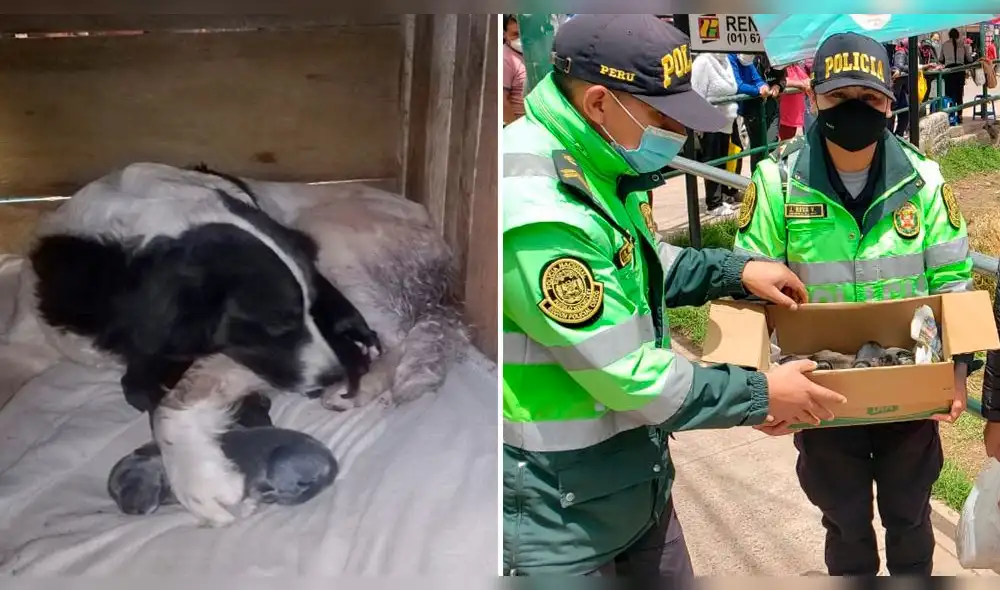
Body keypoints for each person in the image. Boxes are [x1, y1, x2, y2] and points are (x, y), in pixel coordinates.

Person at [502, 14, 848, 577]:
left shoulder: (593, 166)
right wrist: (759, 394)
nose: (678, 133)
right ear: (598, 104)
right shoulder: (537, 207)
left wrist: (738, 271)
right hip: (557, 513)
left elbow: (642, 265)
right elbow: (626, 372)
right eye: (663, 116)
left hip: (636, 487)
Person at [734, 32, 975, 577]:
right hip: (818, 390)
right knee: (842, 521)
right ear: (814, 97)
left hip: (907, 391)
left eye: (868, 100)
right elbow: (747, 293)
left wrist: (957, 371)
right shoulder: (778, 183)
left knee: (910, 517)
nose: (856, 112)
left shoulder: (925, 182)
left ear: (890, 102)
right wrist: (756, 391)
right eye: (840, 99)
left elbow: (955, 283)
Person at [691, 51, 740, 217]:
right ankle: (713, 203)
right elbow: (696, 92)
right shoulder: (703, 61)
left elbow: (733, 86)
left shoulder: (725, 60)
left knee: (721, 161)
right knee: (712, 161)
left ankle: (720, 197)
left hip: (726, 122)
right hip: (709, 122)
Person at [729, 53, 770, 183]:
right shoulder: (731, 58)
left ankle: (755, 180)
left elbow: (757, 79)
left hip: (745, 110)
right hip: (734, 110)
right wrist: (757, 91)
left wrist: (763, 86)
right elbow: (738, 85)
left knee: (746, 147)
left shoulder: (748, 59)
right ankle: (726, 190)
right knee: (734, 149)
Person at [744, 53, 785, 171]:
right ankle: (756, 183)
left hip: (772, 109)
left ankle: (770, 181)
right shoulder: (749, 58)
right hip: (754, 111)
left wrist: (778, 86)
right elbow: (742, 81)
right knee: (758, 150)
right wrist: (758, 89)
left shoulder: (776, 56)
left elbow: (783, 78)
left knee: (771, 144)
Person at [941, 27, 975, 124]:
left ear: (949, 35)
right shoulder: (963, 45)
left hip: (949, 71)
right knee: (959, 94)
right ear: (958, 35)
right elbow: (969, 60)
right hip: (960, 71)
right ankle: (960, 115)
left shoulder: (944, 45)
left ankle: (951, 115)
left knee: (949, 94)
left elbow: (941, 59)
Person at [503, 14, 527, 126]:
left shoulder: (527, 54)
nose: (520, 39)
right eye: (515, 34)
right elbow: (501, 101)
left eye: (523, 33)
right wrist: (515, 128)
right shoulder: (505, 59)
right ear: (504, 34)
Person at [778, 61, 810, 140]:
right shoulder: (780, 66)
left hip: (797, 115)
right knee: (782, 144)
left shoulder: (795, 66)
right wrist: (800, 84)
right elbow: (781, 81)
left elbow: (806, 79)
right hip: (785, 116)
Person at [890, 39, 911, 138]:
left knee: (905, 114)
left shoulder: (905, 52)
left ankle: (898, 136)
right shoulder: (901, 53)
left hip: (901, 89)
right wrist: (913, 67)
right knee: (894, 115)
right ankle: (893, 137)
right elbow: (899, 66)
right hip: (896, 90)